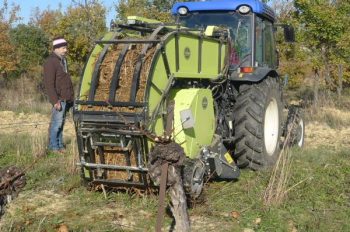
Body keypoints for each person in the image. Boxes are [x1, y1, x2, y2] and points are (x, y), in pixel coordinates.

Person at [43, 37, 74, 153]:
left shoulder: (63, 61)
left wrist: (71, 97)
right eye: (63, 48)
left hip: (66, 98)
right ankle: (53, 147)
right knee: (56, 124)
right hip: (59, 99)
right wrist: (55, 101)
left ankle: (60, 145)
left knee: (61, 124)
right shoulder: (50, 62)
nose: (65, 50)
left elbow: (65, 81)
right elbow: (49, 84)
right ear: (56, 48)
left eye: (66, 48)